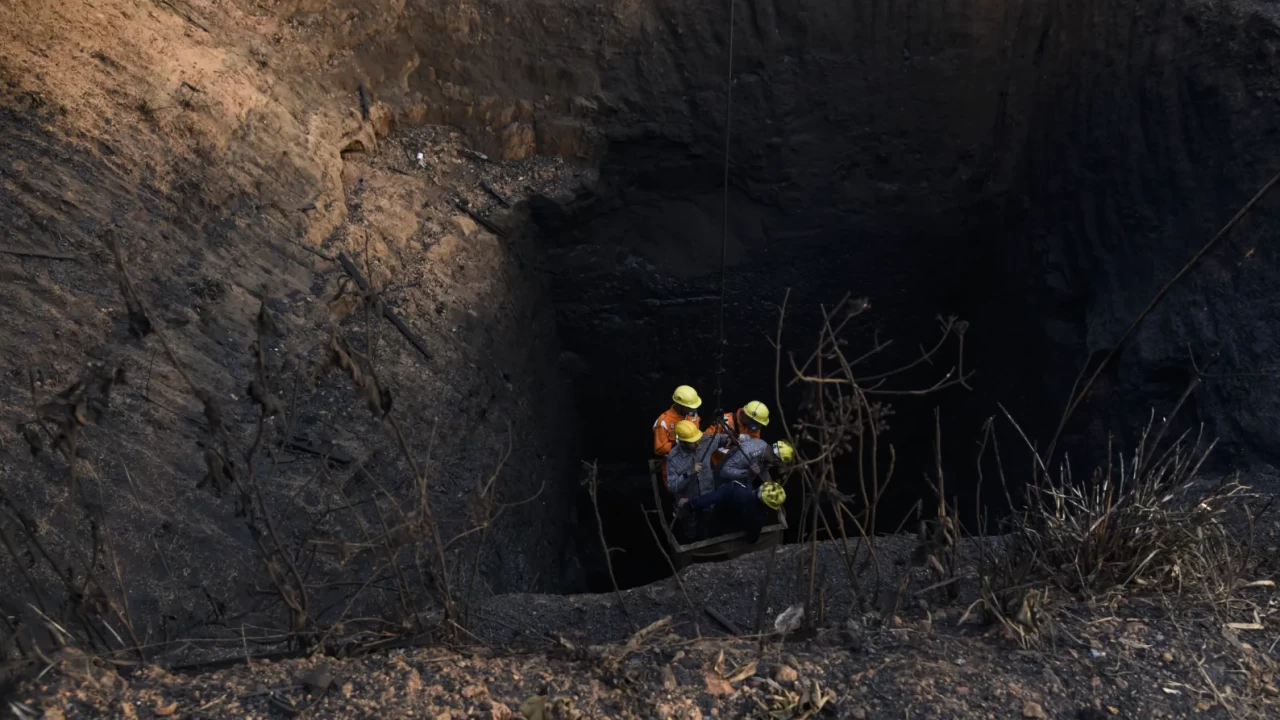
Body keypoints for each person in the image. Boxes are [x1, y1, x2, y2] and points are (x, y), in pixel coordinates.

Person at [664, 420, 728, 541]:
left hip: (707, 494)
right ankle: (690, 541)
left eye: (697, 439)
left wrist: (726, 440)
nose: (697, 443)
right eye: (693, 442)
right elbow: (672, 486)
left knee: (707, 522)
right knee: (690, 527)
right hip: (688, 499)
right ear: (682, 443)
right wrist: (688, 473)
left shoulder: (704, 441)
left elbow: (718, 438)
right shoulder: (673, 458)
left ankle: (706, 541)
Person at [678, 480, 787, 543]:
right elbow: (753, 537)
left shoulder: (735, 490)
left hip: (717, 520)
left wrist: (689, 505)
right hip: (734, 531)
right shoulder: (760, 516)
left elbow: (710, 498)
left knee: (708, 533)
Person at [706, 400, 770, 467]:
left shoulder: (753, 429)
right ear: (747, 416)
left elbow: (754, 445)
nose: (757, 426)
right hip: (714, 463)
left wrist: (745, 439)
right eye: (756, 423)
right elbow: (706, 438)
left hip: (734, 466)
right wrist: (724, 438)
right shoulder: (725, 421)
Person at [718, 438, 795, 488]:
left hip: (737, 484)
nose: (775, 465)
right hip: (721, 483)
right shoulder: (748, 452)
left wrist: (771, 486)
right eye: (778, 463)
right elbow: (724, 471)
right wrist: (748, 474)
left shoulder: (765, 448)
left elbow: (763, 469)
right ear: (776, 459)